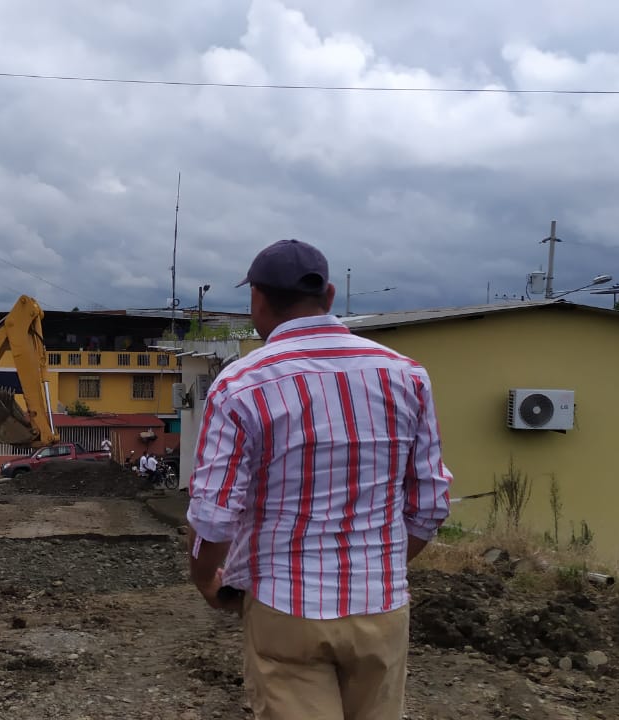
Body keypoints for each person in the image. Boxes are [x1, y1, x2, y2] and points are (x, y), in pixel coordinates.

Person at [186, 239, 452, 720]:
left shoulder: (240, 384)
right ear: (329, 295)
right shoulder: (407, 376)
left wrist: (205, 577)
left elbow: (214, 513)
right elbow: (430, 504)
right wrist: (381, 565)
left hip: (285, 606)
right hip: (381, 606)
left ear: (257, 299)